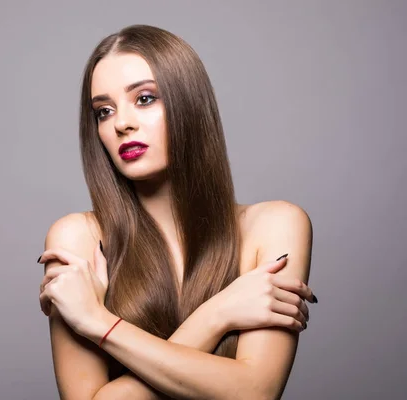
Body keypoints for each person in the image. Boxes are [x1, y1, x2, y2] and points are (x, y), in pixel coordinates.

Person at [36, 24, 317, 400]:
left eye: (145, 99)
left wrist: (98, 322)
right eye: (104, 110)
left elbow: (255, 392)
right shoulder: (78, 239)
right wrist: (218, 314)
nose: (122, 123)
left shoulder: (274, 226)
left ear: (189, 103)